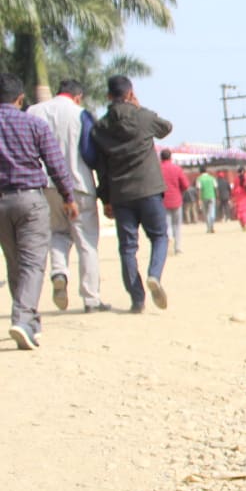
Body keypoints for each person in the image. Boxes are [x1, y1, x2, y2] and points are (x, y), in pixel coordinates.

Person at [0, 73, 80, 348]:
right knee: (32, 264)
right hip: (31, 200)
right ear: (20, 99)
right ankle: (22, 319)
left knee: (14, 264)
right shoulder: (33, 124)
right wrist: (68, 196)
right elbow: (55, 163)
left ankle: (29, 323)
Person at [26, 77, 110, 314]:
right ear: (78, 96)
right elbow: (90, 153)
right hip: (78, 182)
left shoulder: (34, 110)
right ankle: (91, 298)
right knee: (87, 242)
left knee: (57, 232)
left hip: (45, 186)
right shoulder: (80, 114)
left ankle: (59, 271)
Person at [91, 75, 173, 313]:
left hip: (120, 195)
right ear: (130, 93)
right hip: (149, 190)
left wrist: (105, 198)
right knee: (159, 237)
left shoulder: (100, 128)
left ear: (108, 97)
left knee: (127, 247)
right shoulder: (143, 117)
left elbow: (101, 167)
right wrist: (139, 107)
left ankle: (137, 299)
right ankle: (154, 275)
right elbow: (166, 128)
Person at [158, 148, 189, 254]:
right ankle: (178, 247)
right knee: (177, 224)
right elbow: (185, 184)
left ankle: (169, 238)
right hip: (176, 200)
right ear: (170, 157)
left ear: (160, 157)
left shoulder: (158, 169)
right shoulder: (177, 169)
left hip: (163, 201)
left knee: (167, 224)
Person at [196, 164, 217, 232]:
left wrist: (199, 199)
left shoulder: (199, 179)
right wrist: (216, 196)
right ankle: (212, 224)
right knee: (212, 211)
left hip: (204, 197)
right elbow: (215, 188)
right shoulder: (212, 178)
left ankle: (208, 228)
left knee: (206, 213)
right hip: (212, 196)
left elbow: (199, 189)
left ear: (200, 171)